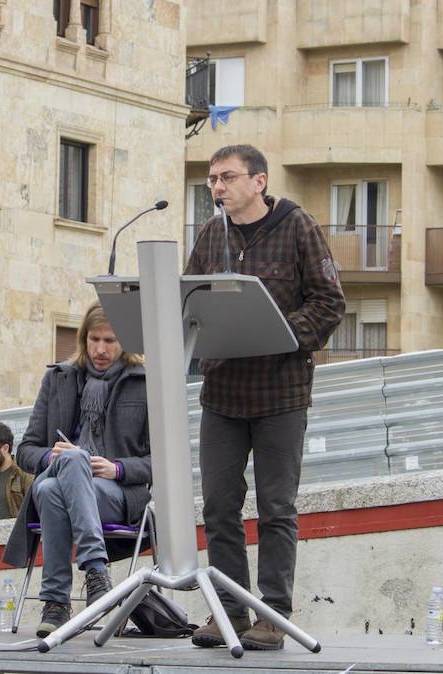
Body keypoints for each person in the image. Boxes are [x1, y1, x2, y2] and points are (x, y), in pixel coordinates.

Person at [184, 144, 346, 650]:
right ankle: (228, 609)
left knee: (276, 508)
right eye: (212, 179)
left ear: (259, 181)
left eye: (227, 177)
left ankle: (272, 615)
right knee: (217, 508)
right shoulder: (211, 235)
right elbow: (187, 301)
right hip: (223, 395)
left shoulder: (299, 226)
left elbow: (329, 303)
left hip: (281, 394)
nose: (217, 187)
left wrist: (276, 332)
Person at [3, 302, 150, 638]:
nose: (100, 349)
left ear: (124, 341)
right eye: (94, 339)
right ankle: (96, 573)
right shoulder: (58, 379)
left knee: (53, 488)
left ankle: (56, 604)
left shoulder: (144, 383)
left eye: (110, 340)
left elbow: (161, 461)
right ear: (83, 339)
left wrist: (116, 468)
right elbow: (25, 451)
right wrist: (50, 459)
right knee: (63, 470)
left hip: (117, 493)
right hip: (60, 481)